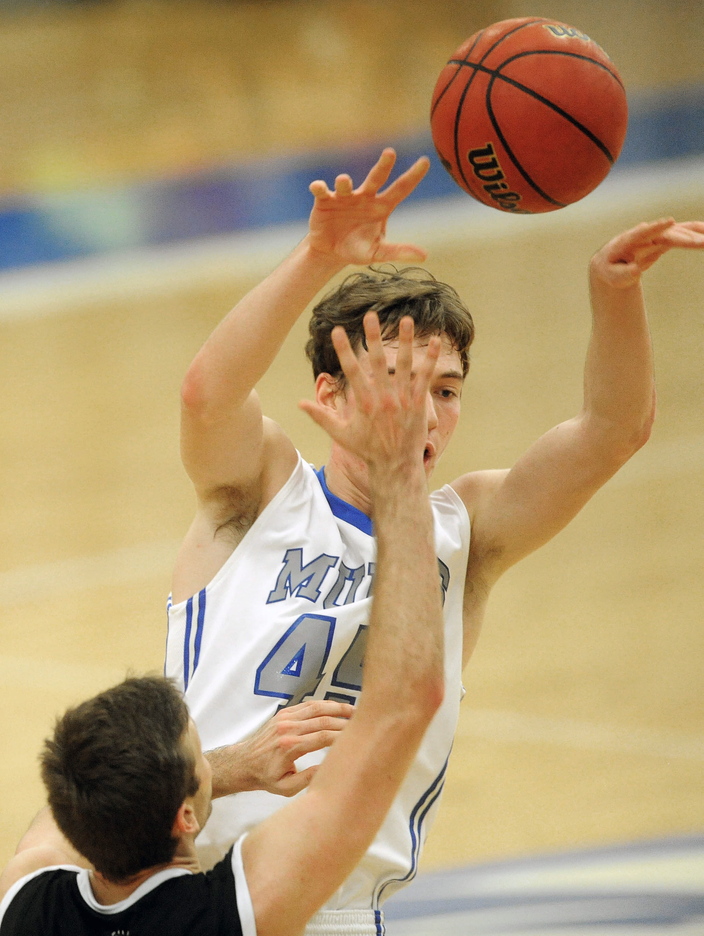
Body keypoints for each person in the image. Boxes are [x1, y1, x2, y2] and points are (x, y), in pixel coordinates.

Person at [165, 145, 704, 934]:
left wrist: (613, 293)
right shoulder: (260, 491)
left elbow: (611, 432)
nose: (422, 411)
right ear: (330, 390)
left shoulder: (466, 527)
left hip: (340, 911)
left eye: (444, 390)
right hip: (190, 883)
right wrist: (317, 255)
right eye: (396, 380)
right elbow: (206, 394)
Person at [0, 314, 446, 936]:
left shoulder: (31, 910)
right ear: (185, 815)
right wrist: (399, 473)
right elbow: (404, 705)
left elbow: (70, 817)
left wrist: (221, 768)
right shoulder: (227, 913)